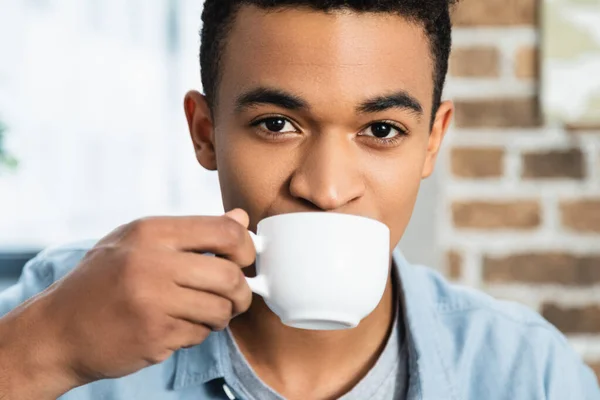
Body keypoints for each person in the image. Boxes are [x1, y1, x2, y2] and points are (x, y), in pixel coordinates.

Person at [1, 1, 598, 399]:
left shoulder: (527, 373)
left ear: (431, 143)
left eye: (382, 130)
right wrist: (45, 349)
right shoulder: (62, 308)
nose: (327, 189)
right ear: (205, 133)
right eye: (277, 124)